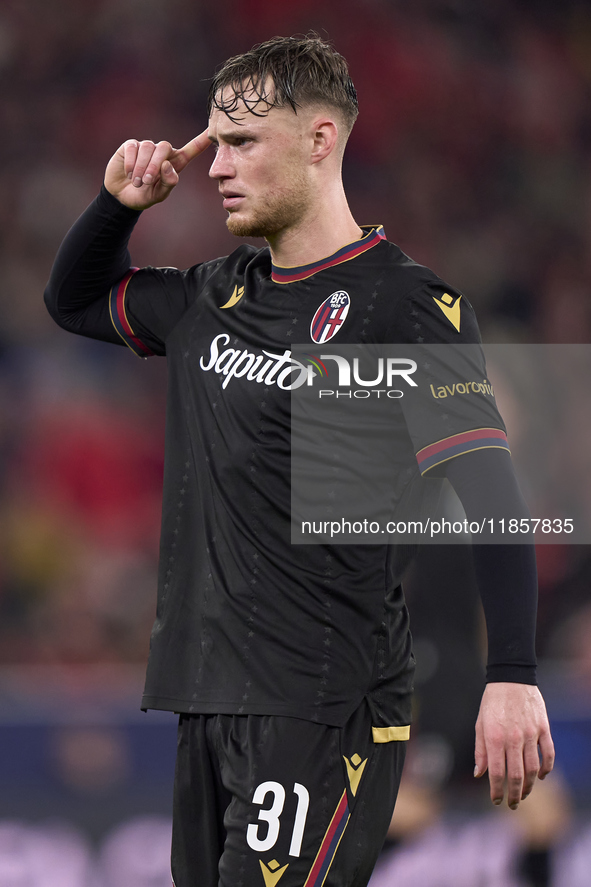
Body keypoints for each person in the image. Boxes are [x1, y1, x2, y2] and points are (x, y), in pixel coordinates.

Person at [44, 34, 554, 887]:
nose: (214, 165)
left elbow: (490, 492)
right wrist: (117, 206)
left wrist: (510, 676)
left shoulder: (406, 306)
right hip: (204, 697)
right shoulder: (212, 296)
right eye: (212, 143)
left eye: (240, 142)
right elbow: (73, 301)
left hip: (324, 704)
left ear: (319, 139)